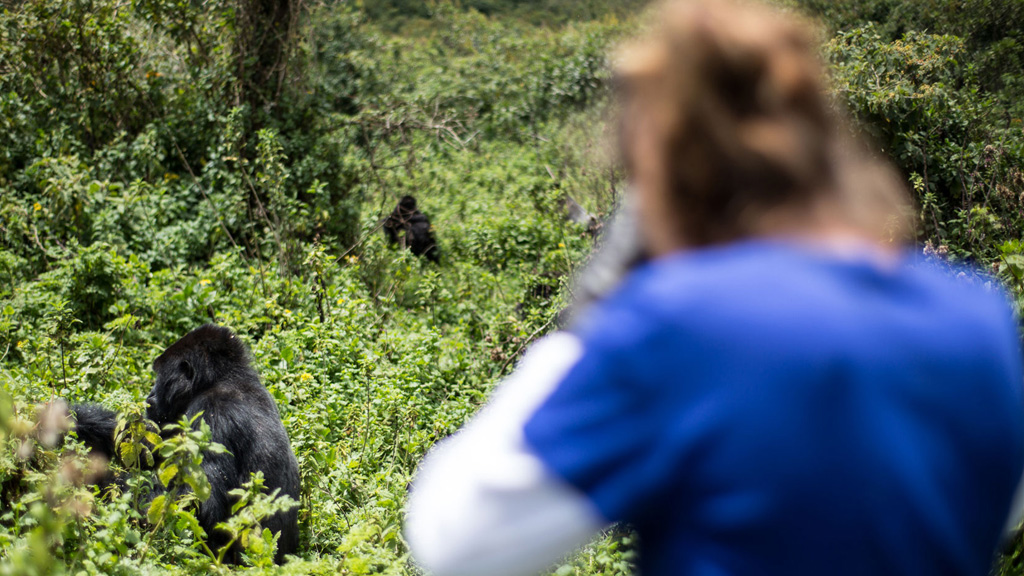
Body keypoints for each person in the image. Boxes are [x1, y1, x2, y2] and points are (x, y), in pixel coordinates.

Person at [403, 1, 1024, 575]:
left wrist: (590, 318)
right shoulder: (978, 312)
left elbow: (456, 541)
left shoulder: (680, 323)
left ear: (668, 171)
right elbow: (1006, 514)